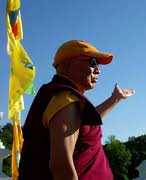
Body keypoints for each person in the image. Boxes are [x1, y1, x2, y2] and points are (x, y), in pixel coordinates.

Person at [18, 40, 133, 180]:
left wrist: (115, 98)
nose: (98, 69)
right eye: (92, 62)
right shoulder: (65, 99)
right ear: (68, 64)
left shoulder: (64, 98)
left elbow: (84, 124)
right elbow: (61, 166)